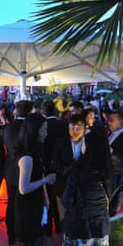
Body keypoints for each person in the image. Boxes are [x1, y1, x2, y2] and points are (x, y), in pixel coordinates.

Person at [59, 130, 113, 246]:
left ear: (87, 148)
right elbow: (114, 205)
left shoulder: (77, 172)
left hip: (78, 228)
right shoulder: (113, 173)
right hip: (101, 229)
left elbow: (66, 201)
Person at [15, 113, 56, 246]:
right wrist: (45, 179)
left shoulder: (36, 150)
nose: (46, 133)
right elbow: (23, 188)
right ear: (33, 131)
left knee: (39, 237)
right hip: (27, 205)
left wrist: (45, 198)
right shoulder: (27, 157)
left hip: (37, 200)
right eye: (43, 130)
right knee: (27, 240)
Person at [2, 100, 33, 245]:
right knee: (25, 204)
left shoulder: (7, 128)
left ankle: (10, 234)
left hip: (11, 169)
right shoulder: (30, 127)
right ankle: (23, 233)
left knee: (11, 203)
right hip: (27, 169)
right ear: (30, 111)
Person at [51, 114, 87, 224]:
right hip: (63, 183)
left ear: (84, 128)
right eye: (72, 126)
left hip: (82, 185)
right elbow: (54, 162)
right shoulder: (61, 141)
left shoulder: (89, 143)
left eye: (79, 127)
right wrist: (64, 170)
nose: (75, 130)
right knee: (63, 214)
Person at [40, 100, 68, 236]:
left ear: (43, 112)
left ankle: (48, 227)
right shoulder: (63, 125)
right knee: (58, 197)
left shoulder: (42, 125)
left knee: (48, 198)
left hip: (45, 166)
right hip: (61, 167)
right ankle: (58, 224)